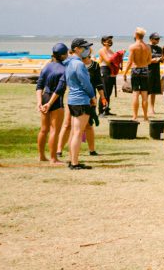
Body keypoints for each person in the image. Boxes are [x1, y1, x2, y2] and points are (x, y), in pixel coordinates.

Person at [64, 38, 98, 170]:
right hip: (81, 100)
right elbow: (86, 83)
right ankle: (74, 163)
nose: (87, 50)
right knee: (78, 132)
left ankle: (72, 159)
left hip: (73, 99)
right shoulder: (79, 64)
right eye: (84, 48)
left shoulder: (69, 63)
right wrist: (92, 96)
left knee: (74, 132)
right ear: (77, 49)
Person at [35, 43, 69, 164]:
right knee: (54, 130)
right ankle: (53, 158)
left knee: (43, 129)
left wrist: (40, 102)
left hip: (44, 97)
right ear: (63, 55)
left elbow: (39, 86)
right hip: (55, 100)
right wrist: (49, 104)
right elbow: (59, 89)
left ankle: (41, 156)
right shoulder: (64, 69)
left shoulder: (47, 67)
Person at [97, 35, 117, 115]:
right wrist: (114, 67)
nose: (110, 42)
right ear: (104, 42)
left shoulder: (111, 51)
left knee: (109, 92)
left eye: (111, 40)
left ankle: (106, 110)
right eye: (108, 41)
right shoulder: (102, 50)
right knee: (104, 92)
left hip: (111, 71)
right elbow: (108, 61)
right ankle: (101, 110)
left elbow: (116, 59)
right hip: (104, 70)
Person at [147, 32, 164, 116]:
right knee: (146, 91)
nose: (158, 40)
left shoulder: (159, 49)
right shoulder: (146, 47)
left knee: (154, 91)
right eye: (156, 39)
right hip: (147, 71)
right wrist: (157, 59)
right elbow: (146, 60)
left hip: (156, 71)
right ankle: (145, 107)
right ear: (151, 39)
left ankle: (152, 109)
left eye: (158, 39)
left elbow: (163, 59)